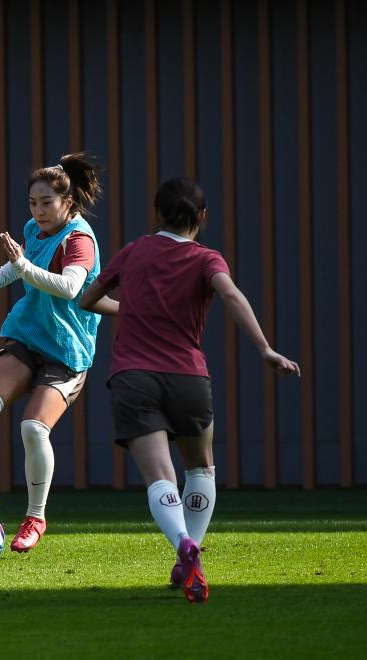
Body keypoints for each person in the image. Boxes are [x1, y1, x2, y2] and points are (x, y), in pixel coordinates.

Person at [79, 177, 299, 604]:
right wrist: (265, 348)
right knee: (200, 469)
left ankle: (182, 542)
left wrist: (132, 310)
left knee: (159, 477)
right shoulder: (206, 259)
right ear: (202, 217)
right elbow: (231, 295)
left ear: (157, 214)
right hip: (188, 378)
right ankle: (191, 552)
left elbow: (88, 300)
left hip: (133, 376)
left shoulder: (133, 251)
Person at [0, 153, 105, 554]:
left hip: (67, 349)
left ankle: (35, 517)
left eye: (47, 203)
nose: (38, 211)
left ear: (68, 203)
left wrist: (22, 266)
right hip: (29, 334)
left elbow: (68, 287)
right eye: (32, 203)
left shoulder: (79, 240)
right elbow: (18, 267)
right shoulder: (34, 229)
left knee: (32, 428)